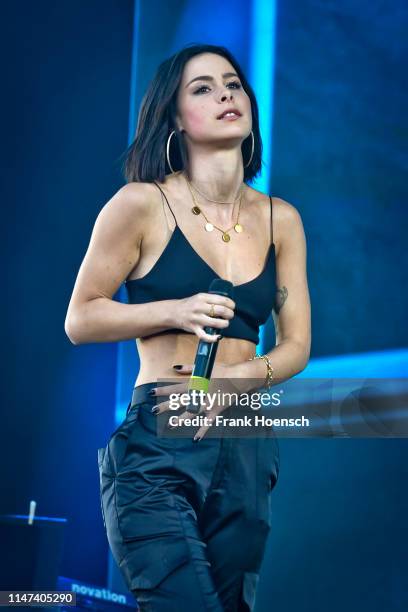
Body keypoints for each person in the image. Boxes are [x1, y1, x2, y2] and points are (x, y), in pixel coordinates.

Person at [65, 43, 311, 612]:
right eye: (202, 87)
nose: (227, 93)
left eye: (233, 83)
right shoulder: (141, 204)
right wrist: (174, 311)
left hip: (248, 439)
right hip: (161, 436)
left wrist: (234, 382)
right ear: (174, 117)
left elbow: (297, 345)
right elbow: (80, 317)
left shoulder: (282, 219)